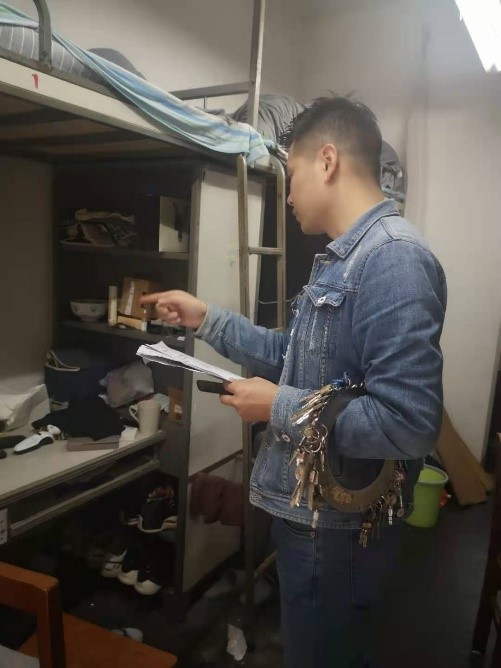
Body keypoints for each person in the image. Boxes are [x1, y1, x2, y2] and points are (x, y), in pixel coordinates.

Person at [140, 96, 447, 667]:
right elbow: (291, 356)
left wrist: (279, 406)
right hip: (312, 521)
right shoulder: (343, 260)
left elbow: (408, 424)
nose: (287, 193)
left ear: (327, 161)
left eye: (292, 172)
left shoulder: (394, 260)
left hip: (335, 532)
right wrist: (206, 318)